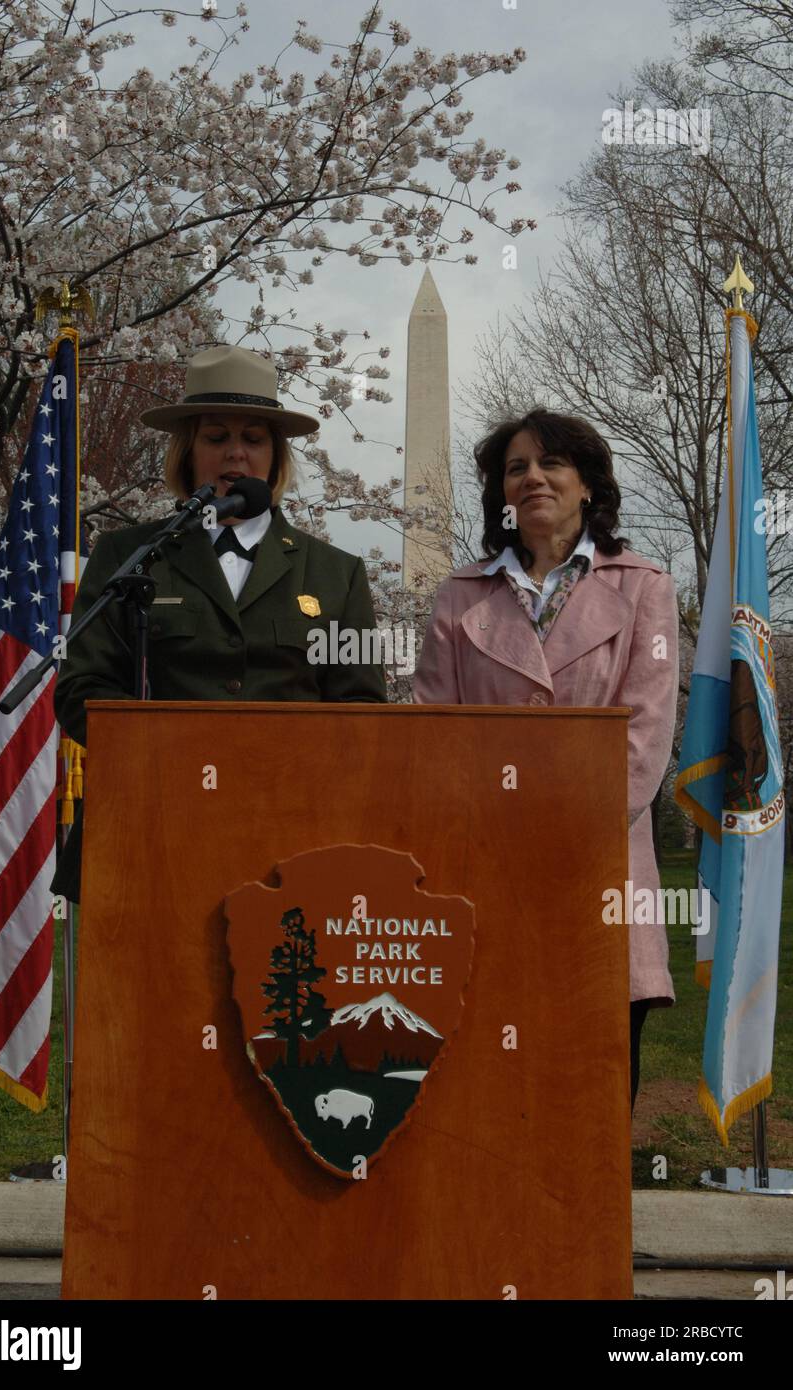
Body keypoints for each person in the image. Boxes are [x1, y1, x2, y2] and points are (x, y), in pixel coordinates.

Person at [412, 408, 678, 1112]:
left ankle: (590, 1225)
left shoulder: (644, 586)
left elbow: (645, 734)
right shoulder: (458, 597)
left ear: (588, 483)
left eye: (550, 463)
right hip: (485, 866)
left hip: (600, 863)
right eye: (514, 468)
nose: (532, 478)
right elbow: (434, 734)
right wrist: (492, 829)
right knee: (486, 1069)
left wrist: (565, 828)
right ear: (500, 493)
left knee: (595, 1066)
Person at [52, 345, 387, 902]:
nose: (235, 454)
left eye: (253, 439)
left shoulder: (337, 575)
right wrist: (175, 759)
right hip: (150, 829)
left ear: (275, 458)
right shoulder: (125, 556)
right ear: (187, 452)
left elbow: (361, 713)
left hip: (293, 837)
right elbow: (83, 687)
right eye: (215, 437)